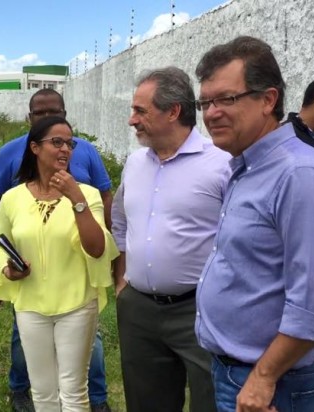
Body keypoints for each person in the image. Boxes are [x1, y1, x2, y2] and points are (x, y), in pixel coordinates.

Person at [194, 36, 314, 412]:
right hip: (239, 371)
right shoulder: (249, 166)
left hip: (273, 384)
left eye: (226, 99)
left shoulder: (300, 174)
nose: (211, 113)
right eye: (205, 102)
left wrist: (264, 377)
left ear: (268, 100)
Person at [110, 66, 229, 412]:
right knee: (146, 402)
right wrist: (122, 282)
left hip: (200, 310)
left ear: (173, 111)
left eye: (140, 111)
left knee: (210, 400)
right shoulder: (135, 163)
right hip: (139, 310)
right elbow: (120, 221)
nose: (132, 120)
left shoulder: (221, 163)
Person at [0, 116, 118, 412]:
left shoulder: (88, 194)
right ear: (35, 147)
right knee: (42, 391)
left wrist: (76, 199)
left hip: (77, 304)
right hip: (31, 306)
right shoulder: (12, 198)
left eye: (70, 143)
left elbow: (97, 248)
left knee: (73, 391)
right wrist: (8, 269)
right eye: (57, 142)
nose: (65, 149)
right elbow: (0, 245)